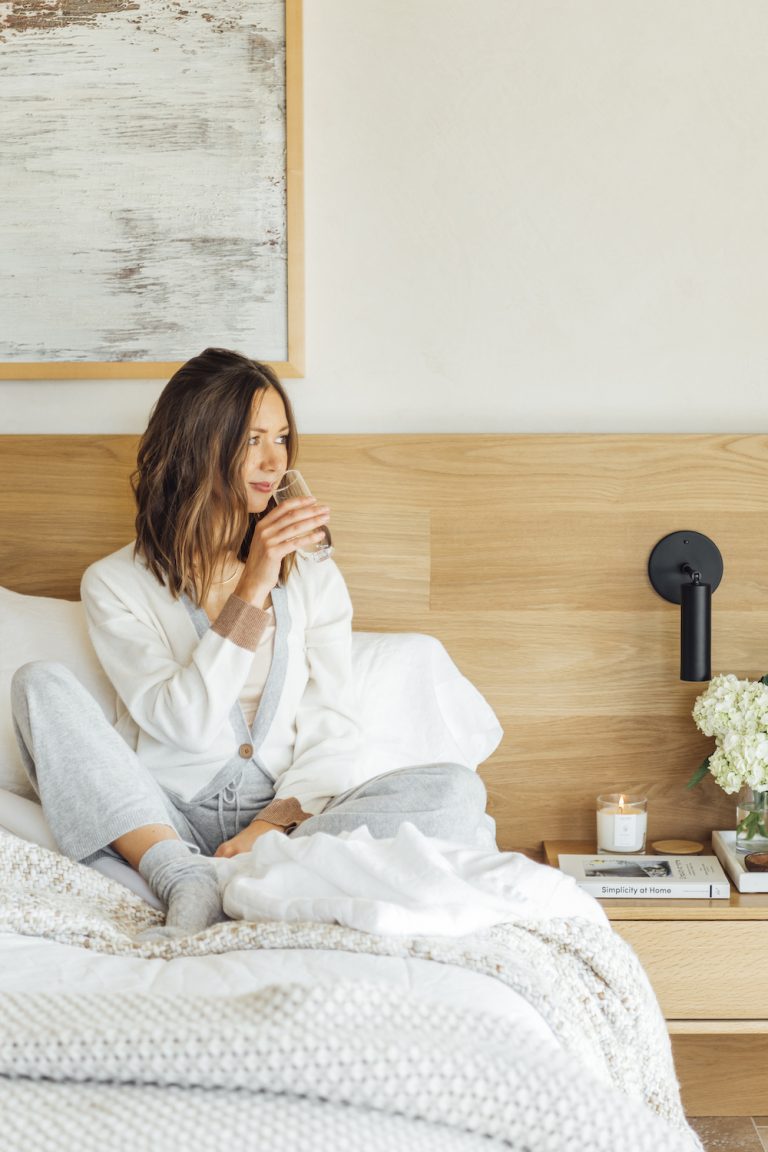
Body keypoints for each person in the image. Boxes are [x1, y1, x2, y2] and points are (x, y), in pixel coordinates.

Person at [11, 348, 492, 938]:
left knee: (455, 791)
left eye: (282, 438)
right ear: (197, 446)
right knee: (38, 684)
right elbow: (181, 724)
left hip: (287, 826)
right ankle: (181, 875)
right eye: (251, 440)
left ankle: (251, 874)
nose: (273, 461)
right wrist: (254, 584)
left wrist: (265, 832)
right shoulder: (117, 583)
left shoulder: (313, 574)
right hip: (161, 819)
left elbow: (333, 723)